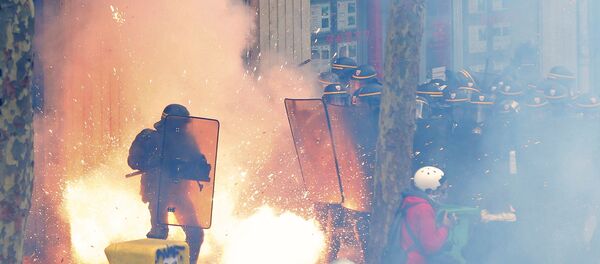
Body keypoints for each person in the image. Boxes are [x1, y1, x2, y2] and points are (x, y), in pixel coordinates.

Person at [128, 104, 209, 264]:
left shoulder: (187, 142)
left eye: (183, 124)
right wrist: (153, 162)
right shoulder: (148, 137)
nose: (181, 128)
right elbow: (133, 161)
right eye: (178, 124)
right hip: (157, 193)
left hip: (179, 193)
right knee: (159, 233)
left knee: (195, 234)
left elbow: (195, 162)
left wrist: (201, 166)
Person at [400, 166, 453, 264]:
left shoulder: (411, 201)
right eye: (443, 190)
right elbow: (430, 245)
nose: (445, 195)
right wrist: (445, 227)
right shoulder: (424, 208)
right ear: (431, 191)